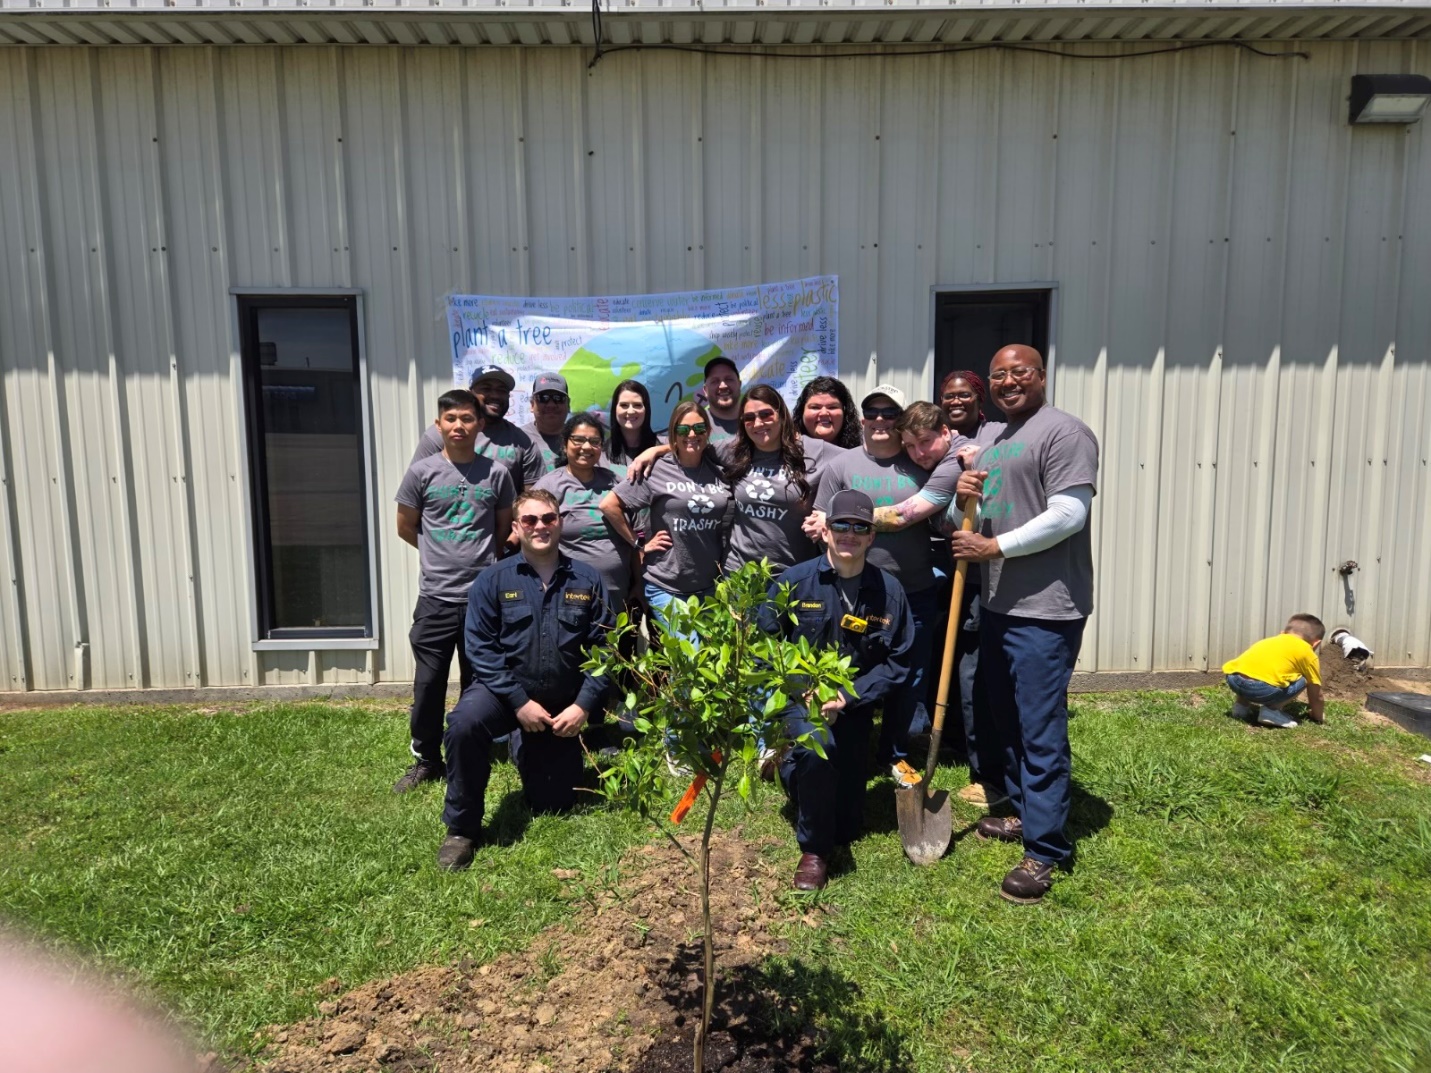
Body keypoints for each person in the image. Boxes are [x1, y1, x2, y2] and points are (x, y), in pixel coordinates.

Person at [953, 343, 1098, 906]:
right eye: (999, 375)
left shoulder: (1065, 432)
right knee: (1005, 719)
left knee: (1039, 727)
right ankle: (1021, 810)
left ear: (1041, 376)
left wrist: (994, 548)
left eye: (1020, 373)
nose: (1009, 382)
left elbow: (1069, 514)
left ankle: (1045, 851)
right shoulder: (994, 441)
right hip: (998, 605)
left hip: (1046, 608)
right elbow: (974, 517)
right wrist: (962, 498)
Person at [436, 489, 614, 871]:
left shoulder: (588, 580)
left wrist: (583, 706)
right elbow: (480, 648)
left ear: (560, 522)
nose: (540, 526)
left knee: (554, 801)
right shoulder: (493, 580)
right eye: (530, 520)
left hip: (561, 702)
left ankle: (526, 745)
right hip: (503, 695)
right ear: (516, 527)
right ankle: (461, 829)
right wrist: (519, 702)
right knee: (464, 725)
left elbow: (605, 650)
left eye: (548, 518)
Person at [758, 490, 914, 891]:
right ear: (825, 531)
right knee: (817, 750)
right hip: (801, 701)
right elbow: (764, 648)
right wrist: (804, 690)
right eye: (841, 525)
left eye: (860, 528)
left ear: (871, 536)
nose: (850, 534)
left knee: (847, 825)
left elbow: (899, 662)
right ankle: (814, 852)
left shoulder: (889, 591)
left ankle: (791, 773)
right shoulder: (794, 582)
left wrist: (847, 696)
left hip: (853, 705)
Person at [809, 385, 945, 789]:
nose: (880, 419)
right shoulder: (842, 464)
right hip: (854, 592)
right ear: (862, 418)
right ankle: (843, 743)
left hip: (914, 589)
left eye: (890, 412)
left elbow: (942, 513)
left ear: (901, 419)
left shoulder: (919, 462)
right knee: (851, 669)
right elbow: (820, 517)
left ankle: (895, 753)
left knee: (910, 674)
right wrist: (818, 525)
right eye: (872, 412)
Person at [393, 389, 516, 794]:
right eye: (451, 419)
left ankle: (471, 747)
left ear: (479, 424)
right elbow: (405, 526)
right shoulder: (421, 472)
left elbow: (502, 529)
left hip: (482, 599)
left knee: (477, 681)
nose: (458, 426)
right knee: (429, 684)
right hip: (436, 598)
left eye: (466, 418)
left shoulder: (497, 474)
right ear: (439, 424)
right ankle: (427, 758)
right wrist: (438, 553)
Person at [599, 400, 731, 630]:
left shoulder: (718, 470)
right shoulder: (657, 470)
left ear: (708, 431)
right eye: (683, 429)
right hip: (666, 585)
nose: (692, 434)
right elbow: (609, 505)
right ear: (673, 434)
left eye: (699, 428)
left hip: (710, 587)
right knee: (689, 650)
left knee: (708, 652)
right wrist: (638, 544)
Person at [723, 385, 835, 577]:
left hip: (794, 575)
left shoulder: (815, 450)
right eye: (749, 418)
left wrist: (830, 516)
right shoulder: (735, 451)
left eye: (766, 414)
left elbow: (857, 462)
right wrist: (663, 448)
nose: (758, 423)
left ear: (781, 414)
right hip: (740, 575)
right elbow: (694, 447)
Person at [534, 413, 631, 610]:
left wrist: (638, 584)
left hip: (619, 593)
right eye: (578, 440)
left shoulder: (616, 482)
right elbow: (534, 540)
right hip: (568, 594)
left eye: (594, 442)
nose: (586, 447)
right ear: (564, 444)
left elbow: (634, 536)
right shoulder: (548, 487)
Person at [411, 359, 546, 492]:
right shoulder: (439, 435)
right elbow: (415, 488)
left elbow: (534, 498)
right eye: (486, 389)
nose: (495, 395)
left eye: (502, 390)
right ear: (471, 394)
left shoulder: (523, 442)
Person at [1223, 614, 1326, 728]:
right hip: (1262, 690)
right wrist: (1317, 716)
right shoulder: (1308, 654)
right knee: (1305, 679)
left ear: (1283, 632)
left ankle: (1241, 707)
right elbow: (1316, 695)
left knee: (1251, 669)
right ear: (1316, 643)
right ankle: (1271, 711)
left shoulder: (1267, 641)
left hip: (1234, 680)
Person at [605, 379, 663, 469]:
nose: (631, 411)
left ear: (646, 409)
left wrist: (656, 450)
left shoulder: (665, 445)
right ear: (614, 409)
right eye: (624, 405)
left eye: (637, 405)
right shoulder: (600, 454)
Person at [795, 375, 862, 450]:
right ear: (802, 412)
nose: (824, 413)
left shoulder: (863, 453)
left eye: (832, 407)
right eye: (815, 407)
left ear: (845, 413)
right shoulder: (787, 453)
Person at [521, 372, 572, 470]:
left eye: (558, 398)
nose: (551, 405)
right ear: (532, 404)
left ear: (568, 404)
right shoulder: (518, 439)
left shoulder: (580, 440)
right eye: (543, 398)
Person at [699, 357, 742, 446]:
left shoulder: (757, 420)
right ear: (705, 390)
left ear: (739, 384)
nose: (723, 386)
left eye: (729, 379)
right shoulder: (696, 424)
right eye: (715, 381)